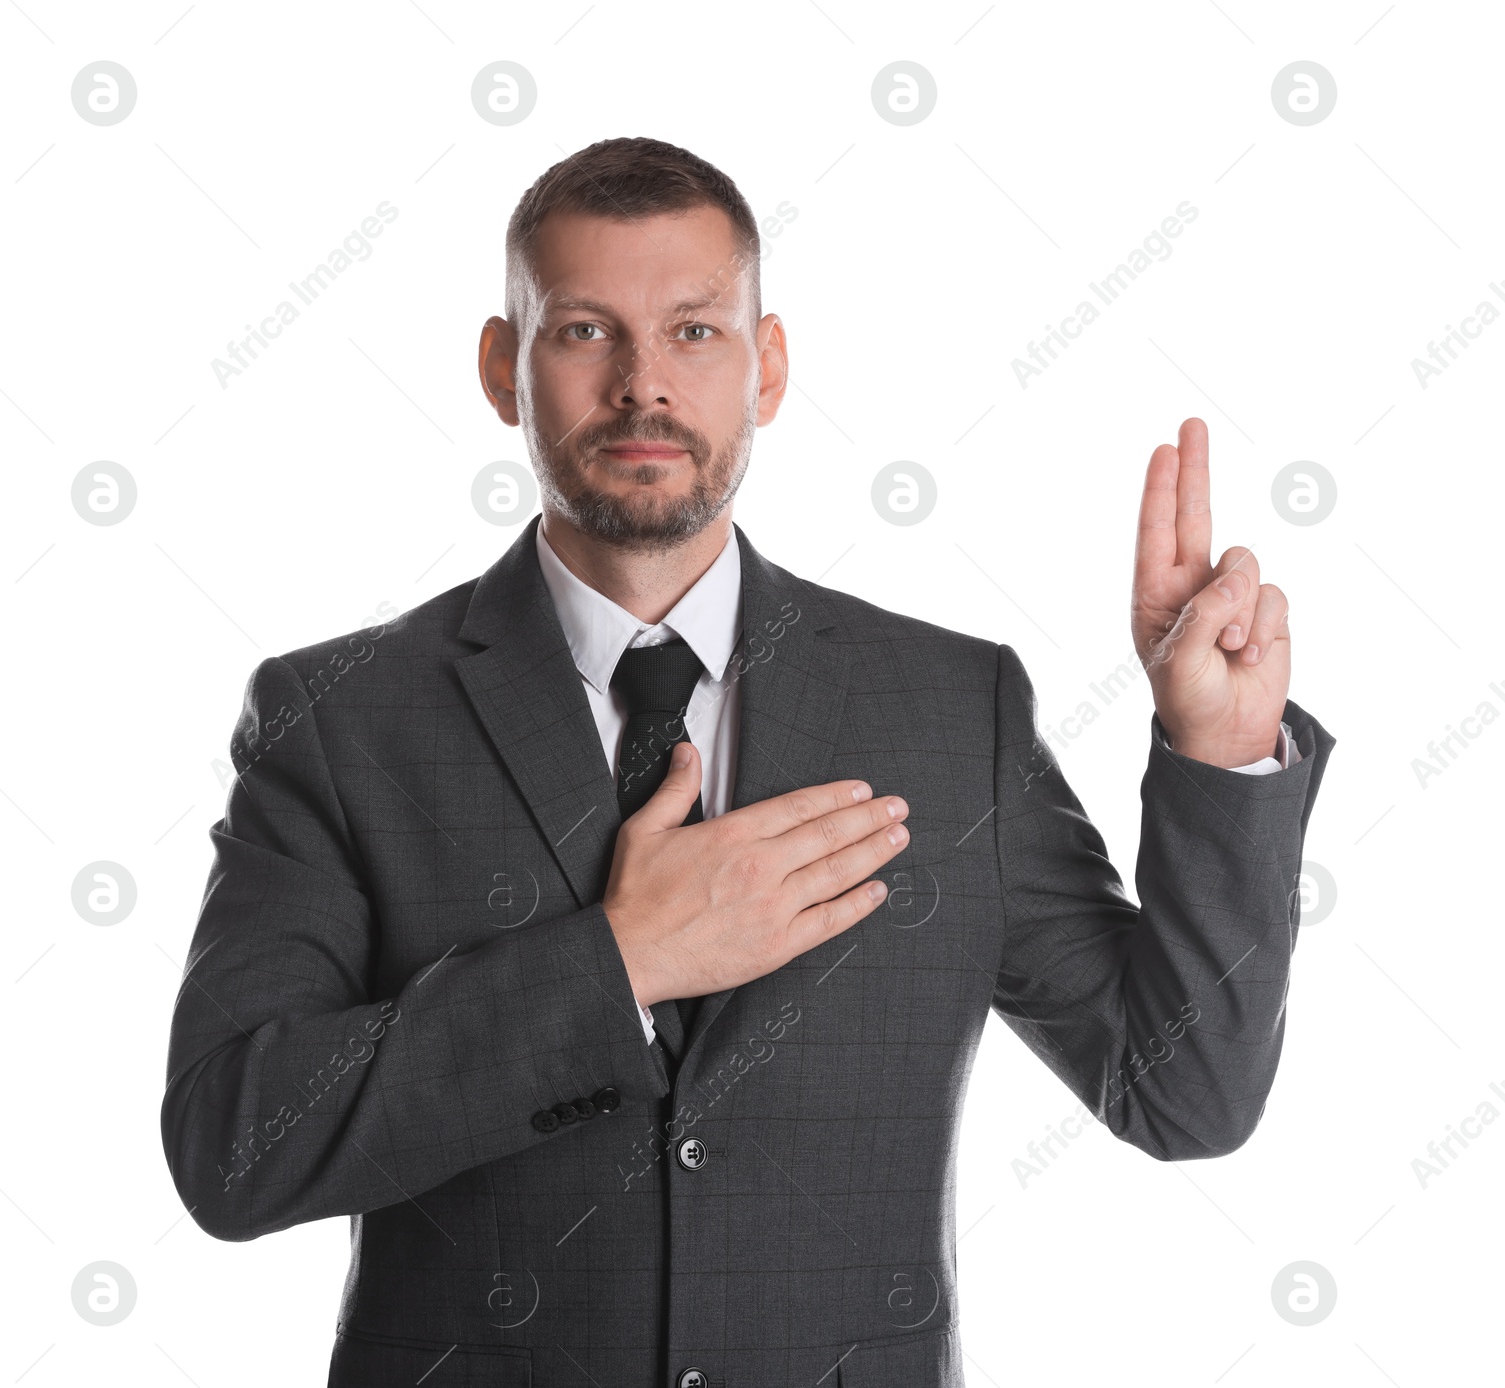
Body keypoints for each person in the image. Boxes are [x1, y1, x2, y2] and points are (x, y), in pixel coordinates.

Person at [161, 136, 1334, 1388]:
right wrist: (621, 962)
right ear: (504, 369)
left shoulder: (949, 705)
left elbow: (1182, 1093)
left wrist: (1219, 749)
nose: (641, 384)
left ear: (767, 368)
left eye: (695, 333)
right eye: (582, 332)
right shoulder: (341, 717)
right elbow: (235, 1146)